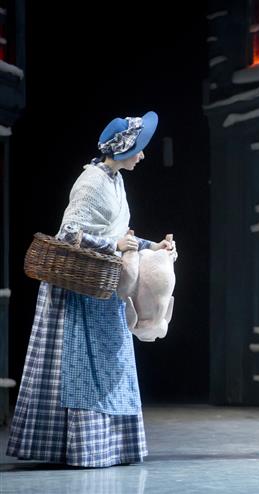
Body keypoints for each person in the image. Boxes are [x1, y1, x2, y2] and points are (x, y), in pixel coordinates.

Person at [6, 111, 175, 467]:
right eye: (138, 149)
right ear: (123, 149)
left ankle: (111, 446)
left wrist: (152, 246)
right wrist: (114, 246)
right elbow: (69, 234)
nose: (142, 155)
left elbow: (120, 235)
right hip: (79, 288)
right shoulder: (91, 182)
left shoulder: (115, 180)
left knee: (111, 363)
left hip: (106, 285)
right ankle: (76, 446)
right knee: (80, 366)